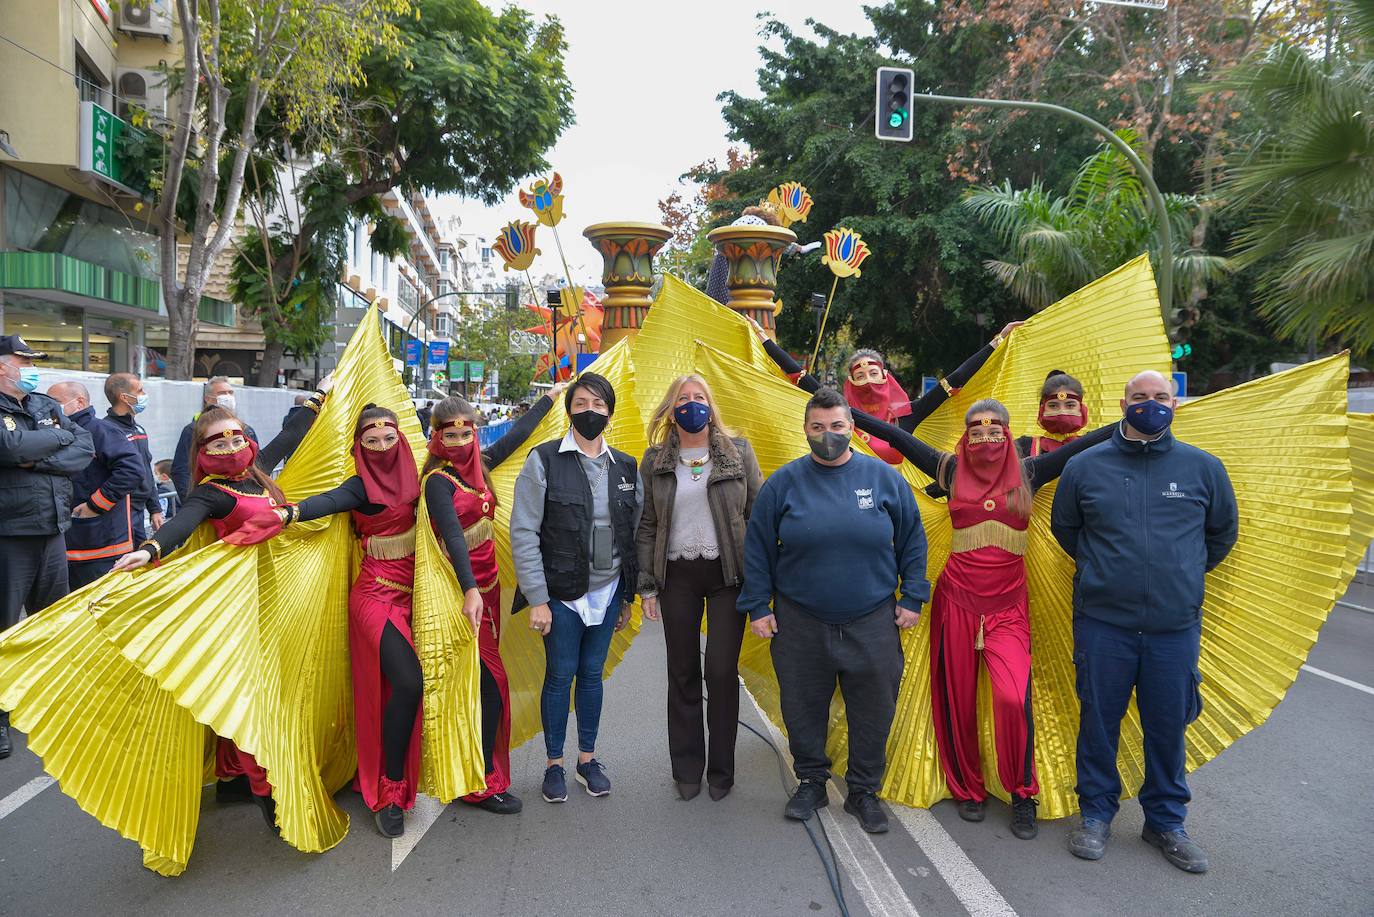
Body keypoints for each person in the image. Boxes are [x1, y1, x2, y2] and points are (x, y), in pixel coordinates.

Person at [111, 385, 327, 831]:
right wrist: (149, 551)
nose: (231, 447)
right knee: (251, 698)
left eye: (236, 438)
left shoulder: (259, 472)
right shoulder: (211, 494)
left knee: (273, 690)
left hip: (280, 599)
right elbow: (180, 524)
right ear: (202, 451)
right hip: (239, 608)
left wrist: (318, 399)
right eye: (218, 442)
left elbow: (292, 435)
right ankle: (270, 796)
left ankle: (231, 776)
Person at [1051, 370, 1237, 874]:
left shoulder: (1203, 469)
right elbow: (1067, 530)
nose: (1149, 404)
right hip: (1103, 624)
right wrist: (1106, 573)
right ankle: (1095, 814)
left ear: (1174, 402)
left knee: (1167, 726)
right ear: (1122, 402)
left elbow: (1220, 536)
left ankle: (1166, 821)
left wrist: (1177, 577)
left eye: (1160, 397)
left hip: (1173, 628)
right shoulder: (1085, 467)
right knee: (1098, 722)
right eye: (1140, 397)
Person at [738, 388, 928, 835]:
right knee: (803, 706)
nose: (828, 435)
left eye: (837, 426)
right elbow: (758, 549)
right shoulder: (782, 484)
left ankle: (864, 790)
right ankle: (811, 781)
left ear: (852, 429)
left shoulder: (884, 479)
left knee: (874, 708)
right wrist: (757, 607)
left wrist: (913, 596)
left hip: (872, 618)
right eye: (818, 427)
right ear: (805, 430)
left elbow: (913, 541)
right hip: (800, 618)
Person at [422, 386, 564, 817]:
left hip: (488, 591)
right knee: (490, 685)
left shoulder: (480, 466)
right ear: (437, 438)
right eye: (451, 435)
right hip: (461, 595)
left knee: (481, 686)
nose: (461, 442)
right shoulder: (437, 482)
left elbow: (518, 435)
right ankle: (481, 781)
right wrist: (468, 590)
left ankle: (479, 774)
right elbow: (452, 539)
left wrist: (549, 399)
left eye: (468, 433)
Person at [510, 372, 642, 804]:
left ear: (610, 412)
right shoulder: (544, 459)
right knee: (560, 674)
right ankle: (554, 764)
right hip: (561, 594)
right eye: (581, 403)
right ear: (569, 409)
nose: (590, 412)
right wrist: (538, 599)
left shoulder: (625, 466)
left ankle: (587, 759)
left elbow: (633, 532)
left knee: (591, 676)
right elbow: (525, 531)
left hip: (607, 593)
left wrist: (627, 595)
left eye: (599, 405)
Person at [636, 374, 763, 801]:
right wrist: (647, 586)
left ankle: (722, 772)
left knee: (722, 671)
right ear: (671, 411)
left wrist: (762, 584)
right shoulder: (654, 461)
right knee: (683, 671)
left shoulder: (738, 452)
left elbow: (757, 516)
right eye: (683, 399)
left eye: (699, 397)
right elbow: (648, 525)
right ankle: (687, 768)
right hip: (677, 577)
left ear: (711, 405)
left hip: (729, 575)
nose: (692, 404)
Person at [0, 334, 94, 759]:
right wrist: (51, 443)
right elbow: (9, 445)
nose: (31, 365)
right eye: (23, 359)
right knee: (5, 628)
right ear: (3, 364)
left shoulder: (43, 404)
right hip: (9, 534)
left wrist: (34, 455)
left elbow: (85, 447)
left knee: (52, 622)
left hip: (52, 528)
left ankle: (48, 704)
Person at [759, 322, 1021, 468]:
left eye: (873, 373)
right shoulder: (841, 414)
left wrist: (997, 341)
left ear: (886, 377)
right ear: (849, 381)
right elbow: (803, 380)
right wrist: (763, 340)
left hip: (898, 501)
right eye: (860, 376)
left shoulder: (911, 414)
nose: (868, 381)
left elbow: (956, 378)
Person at [46, 381, 146, 590]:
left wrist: (95, 505)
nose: (50, 408)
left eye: (55, 402)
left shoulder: (101, 430)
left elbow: (132, 470)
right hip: (69, 545)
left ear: (79, 402)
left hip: (102, 547)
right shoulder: (56, 432)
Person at [170, 376, 258, 500]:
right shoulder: (192, 430)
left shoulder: (246, 430)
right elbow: (181, 470)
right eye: (222, 393)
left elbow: (256, 466)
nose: (228, 396)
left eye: (230, 392)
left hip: (244, 499)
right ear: (207, 399)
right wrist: (191, 502)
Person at [103, 373, 163, 541]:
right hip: (120, 512)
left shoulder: (139, 429)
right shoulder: (107, 430)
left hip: (140, 511)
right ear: (124, 397)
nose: (144, 395)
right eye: (140, 391)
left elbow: (146, 470)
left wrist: (155, 509)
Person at [1016, 370, 1089, 458]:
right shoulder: (1022, 447)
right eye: (1053, 406)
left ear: (1082, 410)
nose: (1062, 412)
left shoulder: (1092, 444)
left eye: (1070, 405)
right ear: (1042, 410)